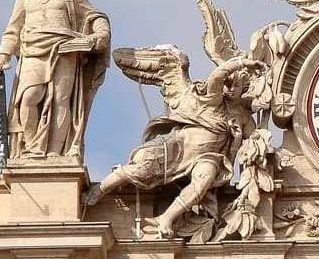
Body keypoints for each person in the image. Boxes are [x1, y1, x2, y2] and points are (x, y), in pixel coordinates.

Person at [82, 52, 262, 238]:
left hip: (208, 157)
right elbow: (217, 74)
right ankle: (100, 189)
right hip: (179, 148)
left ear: (245, 87)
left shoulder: (244, 117)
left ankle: (166, 218)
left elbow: (255, 139)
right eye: (228, 84)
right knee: (142, 169)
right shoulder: (213, 98)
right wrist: (241, 62)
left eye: (237, 85)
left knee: (205, 178)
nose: (231, 89)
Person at [0, 0, 110, 159]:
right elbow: (13, 30)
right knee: (28, 97)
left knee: (60, 100)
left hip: (65, 48)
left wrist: (100, 33)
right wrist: (3, 55)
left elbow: (95, 17)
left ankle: (55, 151)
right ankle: (33, 148)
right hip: (32, 50)